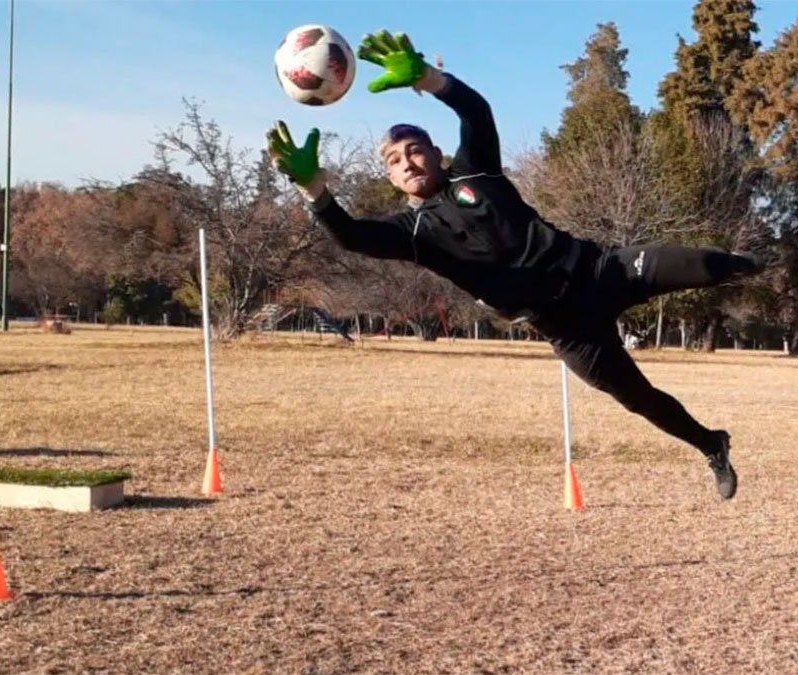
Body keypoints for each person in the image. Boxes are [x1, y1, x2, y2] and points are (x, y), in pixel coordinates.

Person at [266, 30, 762, 500]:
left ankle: (766, 263)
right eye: (395, 161)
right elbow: (352, 236)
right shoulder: (413, 234)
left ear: (437, 155)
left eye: (414, 151)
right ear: (392, 180)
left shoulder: (476, 170)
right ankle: (711, 445)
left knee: (709, 264)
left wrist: (428, 79)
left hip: (599, 271)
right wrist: (315, 191)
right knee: (639, 399)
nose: (408, 163)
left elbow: (476, 111)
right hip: (567, 330)